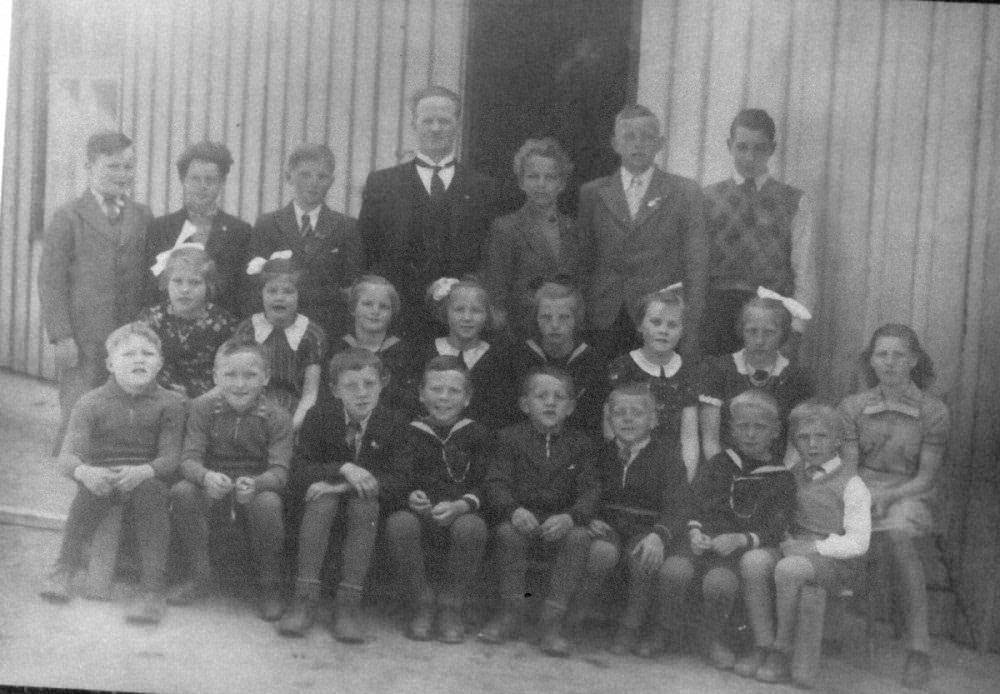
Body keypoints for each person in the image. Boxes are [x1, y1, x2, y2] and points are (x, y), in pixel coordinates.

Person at [38, 323, 186, 625]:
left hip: (147, 480)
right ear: (110, 364)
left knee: (153, 493)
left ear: (159, 362)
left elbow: (171, 457)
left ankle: (151, 589)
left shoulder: (171, 403)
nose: (139, 359)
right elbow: (67, 457)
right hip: (104, 478)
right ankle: (64, 568)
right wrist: (85, 472)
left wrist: (145, 470)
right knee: (88, 491)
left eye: (148, 354)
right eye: (128, 354)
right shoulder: (91, 402)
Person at [839, 324, 948, 688]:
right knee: (830, 526)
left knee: (900, 536)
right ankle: (829, 631)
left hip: (908, 492)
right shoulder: (853, 407)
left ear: (913, 360)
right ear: (871, 360)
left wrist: (888, 497)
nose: (889, 362)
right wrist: (861, 498)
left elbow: (926, 478)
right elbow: (849, 469)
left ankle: (919, 650)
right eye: (881, 354)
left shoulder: (933, 411)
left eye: (898, 355)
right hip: (861, 488)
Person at [359, 85, 513, 341]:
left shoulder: (483, 187)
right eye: (427, 121)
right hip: (399, 318)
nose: (435, 128)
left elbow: (490, 257)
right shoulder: (383, 183)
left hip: (462, 323)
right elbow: (369, 252)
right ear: (414, 124)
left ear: (457, 125)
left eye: (444, 121)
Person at [278, 349, 410, 642]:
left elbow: (400, 480)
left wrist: (342, 486)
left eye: (369, 384)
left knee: (364, 503)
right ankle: (304, 598)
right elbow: (299, 469)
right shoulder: (319, 416)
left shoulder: (395, 422)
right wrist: (343, 468)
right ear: (335, 390)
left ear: (382, 384)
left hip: (370, 510)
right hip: (320, 508)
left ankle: (348, 605)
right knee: (322, 499)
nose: (362, 393)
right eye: (351, 386)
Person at [39, 131, 153, 453]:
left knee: (125, 400)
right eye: (112, 166)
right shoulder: (68, 216)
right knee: (80, 403)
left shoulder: (142, 215)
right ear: (89, 166)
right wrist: (61, 336)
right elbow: (50, 280)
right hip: (83, 334)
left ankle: (115, 457)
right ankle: (71, 463)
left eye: (128, 167)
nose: (122, 174)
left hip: (128, 329)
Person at [664, 390, 795, 671]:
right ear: (732, 429)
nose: (750, 434)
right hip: (701, 543)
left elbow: (776, 527)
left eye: (759, 427)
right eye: (743, 426)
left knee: (720, 584)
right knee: (674, 571)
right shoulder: (719, 464)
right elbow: (695, 504)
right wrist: (695, 532)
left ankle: (709, 638)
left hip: (734, 552)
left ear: (775, 431)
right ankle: (666, 632)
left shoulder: (781, 477)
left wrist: (741, 539)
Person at [167, 340, 292, 621]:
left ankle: (269, 586)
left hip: (255, 485)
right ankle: (199, 575)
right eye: (230, 374)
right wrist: (205, 476)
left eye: (250, 375)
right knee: (183, 492)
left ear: (266, 377)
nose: (240, 384)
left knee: (269, 503)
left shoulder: (277, 416)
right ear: (215, 377)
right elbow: (188, 459)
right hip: (214, 482)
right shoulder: (202, 408)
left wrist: (258, 484)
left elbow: (280, 471)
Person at [479, 367, 599, 657]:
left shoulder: (581, 444)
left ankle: (551, 623)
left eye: (559, 397)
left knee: (579, 538)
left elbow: (591, 489)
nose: (550, 403)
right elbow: (495, 482)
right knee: (507, 534)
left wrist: (571, 517)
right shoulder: (508, 438)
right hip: (522, 518)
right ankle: (510, 613)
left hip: (561, 521)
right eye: (541, 396)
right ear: (524, 404)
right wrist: (513, 509)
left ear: (571, 407)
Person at [748, 402, 870, 686]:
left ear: (838, 440)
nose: (812, 444)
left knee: (789, 569)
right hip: (793, 547)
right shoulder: (790, 474)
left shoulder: (852, 484)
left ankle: (781, 650)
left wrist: (814, 548)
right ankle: (762, 643)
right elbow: (779, 516)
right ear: (794, 441)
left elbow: (859, 541)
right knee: (753, 561)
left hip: (833, 559)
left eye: (821, 436)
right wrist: (784, 538)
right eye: (803, 437)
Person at [578, 105, 707, 359]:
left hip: (661, 316)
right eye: (629, 137)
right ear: (615, 144)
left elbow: (696, 265)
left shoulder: (684, 192)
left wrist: (691, 322)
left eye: (647, 137)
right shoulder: (593, 193)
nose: (638, 144)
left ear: (660, 143)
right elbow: (584, 259)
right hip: (605, 314)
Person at [574, 383, 689, 657]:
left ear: (654, 420)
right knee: (600, 552)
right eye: (619, 413)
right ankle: (574, 620)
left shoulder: (668, 456)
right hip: (608, 525)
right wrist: (588, 518)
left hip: (645, 529)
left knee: (643, 558)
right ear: (609, 418)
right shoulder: (599, 454)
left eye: (636, 413)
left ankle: (630, 628)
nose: (627, 419)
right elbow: (585, 490)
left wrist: (659, 535)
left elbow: (678, 503)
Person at [385, 356, 492, 643]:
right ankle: (422, 602)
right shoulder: (408, 432)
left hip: (461, 514)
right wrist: (409, 496)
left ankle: (450, 606)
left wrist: (462, 505)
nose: (444, 397)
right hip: (420, 515)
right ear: (421, 394)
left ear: (467, 398)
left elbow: (487, 482)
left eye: (454, 391)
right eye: (436, 389)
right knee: (399, 523)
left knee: (472, 527)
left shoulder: (478, 434)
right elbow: (397, 477)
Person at [701, 109, 817, 357]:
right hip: (717, 315)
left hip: (771, 316)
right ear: (729, 146)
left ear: (772, 149)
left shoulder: (794, 201)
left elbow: (804, 270)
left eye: (759, 148)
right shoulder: (706, 198)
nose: (750, 157)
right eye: (742, 147)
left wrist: (797, 329)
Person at [249, 144, 362, 339]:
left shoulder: (346, 227)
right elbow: (255, 284)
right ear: (289, 177)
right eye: (305, 175)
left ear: (331, 181)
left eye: (322, 177)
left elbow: (351, 283)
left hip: (328, 327)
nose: (313, 183)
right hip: (278, 327)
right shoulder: (268, 224)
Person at [483, 138, 584, 337]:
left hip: (565, 333)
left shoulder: (574, 229)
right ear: (521, 182)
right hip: (520, 332)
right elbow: (497, 292)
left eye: (550, 177)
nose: (541, 184)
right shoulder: (506, 228)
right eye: (533, 176)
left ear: (561, 184)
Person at [699, 291, 813, 461]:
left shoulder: (796, 377)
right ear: (741, 331)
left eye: (769, 332)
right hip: (725, 466)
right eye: (752, 331)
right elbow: (710, 440)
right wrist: (723, 472)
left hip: (777, 467)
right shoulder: (719, 370)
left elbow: (795, 446)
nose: (759, 340)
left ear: (783, 334)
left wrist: (782, 473)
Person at [142, 141, 251, 317]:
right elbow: (151, 288)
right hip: (169, 324)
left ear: (222, 182)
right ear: (183, 180)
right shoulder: (160, 228)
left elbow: (243, 291)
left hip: (223, 325)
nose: (202, 186)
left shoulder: (240, 231)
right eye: (195, 179)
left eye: (210, 180)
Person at [607, 288, 700, 480]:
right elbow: (610, 426)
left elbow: (689, 436)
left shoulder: (688, 371)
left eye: (672, 325)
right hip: (629, 464)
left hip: (672, 467)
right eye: (656, 322)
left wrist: (687, 478)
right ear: (640, 325)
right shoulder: (623, 368)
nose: (663, 331)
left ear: (682, 330)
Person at [233, 255, 326, 431]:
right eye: (272, 291)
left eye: (288, 292)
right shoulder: (248, 330)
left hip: (295, 412)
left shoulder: (311, 334)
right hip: (250, 407)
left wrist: (291, 428)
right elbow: (239, 380)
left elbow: (310, 393)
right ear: (261, 294)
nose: (279, 298)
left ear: (299, 295)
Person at [505, 282, 606, 434]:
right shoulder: (517, 357)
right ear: (536, 319)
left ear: (577, 319)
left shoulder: (592, 361)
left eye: (564, 317)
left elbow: (594, 418)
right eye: (546, 317)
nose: (555, 325)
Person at [138, 245, 237, 398]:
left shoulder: (223, 323)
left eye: (195, 282)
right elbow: (139, 364)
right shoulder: (151, 319)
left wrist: (196, 400)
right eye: (177, 281)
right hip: (156, 397)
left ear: (208, 286)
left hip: (208, 400)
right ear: (166, 283)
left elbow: (231, 373)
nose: (185, 289)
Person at [416, 277, 509, 429]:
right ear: (446, 312)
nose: (467, 318)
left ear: (487, 315)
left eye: (476, 311)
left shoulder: (498, 359)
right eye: (459, 310)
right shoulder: (424, 352)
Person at [329, 275, 417, 416]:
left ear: (392, 313)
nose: (375, 311)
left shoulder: (403, 352)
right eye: (367, 304)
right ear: (353, 308)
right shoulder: (339, 348)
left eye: (384, 306)